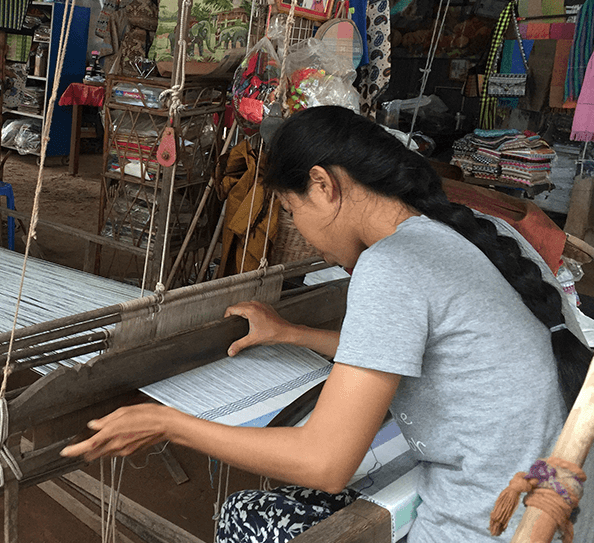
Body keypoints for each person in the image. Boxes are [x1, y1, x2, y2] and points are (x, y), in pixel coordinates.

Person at [61, 106, 591, 542]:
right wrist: (293, 334)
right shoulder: (486, 233)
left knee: (246, 518)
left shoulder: (393, 265)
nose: (300, 231)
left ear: (322, 185)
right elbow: (435, 348)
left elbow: (324, 462)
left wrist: (167, 424)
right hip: (563, 507)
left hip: (494, 527)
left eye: (292, 212)